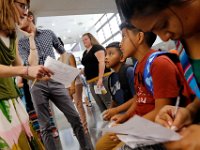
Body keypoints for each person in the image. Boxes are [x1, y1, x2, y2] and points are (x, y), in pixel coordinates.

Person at [115, 0, 200, 149]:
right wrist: (189, 112)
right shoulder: (182, 42)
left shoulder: (158, 63)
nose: (165, 37)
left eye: (163, 24)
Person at [96, 22, 194, 150]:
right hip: (139, 122)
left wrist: (128, 128)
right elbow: (139, 98)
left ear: (139, 37)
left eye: (124, 36)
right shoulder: (137, 66)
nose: (121, 43)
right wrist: (123, 118)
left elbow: (161, 111)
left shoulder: (158, 63)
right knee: (101, 145)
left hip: (155, 129)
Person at [18, 11, 90, 150]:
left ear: (30, 17)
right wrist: (31, 38)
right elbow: (30, 64)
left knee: (74, 116)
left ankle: (86, 147)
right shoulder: (21, 42)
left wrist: (68, 78)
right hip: (36, 84)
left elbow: (64, 53)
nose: (18, 22)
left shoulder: (48, 33)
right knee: (45, 126)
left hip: (55, 80)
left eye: (21, 18)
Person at [0, 0, 54, 149]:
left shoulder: (12, 35)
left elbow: (21, 66)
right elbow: (22, 70)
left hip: (13, 100)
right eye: (22, 5)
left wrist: (38, 74)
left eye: (27, 7)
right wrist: (26, 71)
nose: (26, 12)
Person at [58, 37, 88, 133]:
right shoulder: (58, 59)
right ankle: (77, 127)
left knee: (79, 104)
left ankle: (84, 128)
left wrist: (72, 85)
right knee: (70, 108)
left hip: (75, 83)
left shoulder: (70, 55)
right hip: (65, 85)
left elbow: (73, 71)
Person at [102, 41, 135, 121]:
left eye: (110, 54)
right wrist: (109, 111)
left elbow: (137, 98)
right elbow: (115, 99)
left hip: (133, 114)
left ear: (122, 57)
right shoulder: (111, 78)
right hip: (121, 115)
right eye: (105, 54)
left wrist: (116, 110)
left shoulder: (129, 71)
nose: (106, 57)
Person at [81, 33, 112, 112]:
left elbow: (102, 62)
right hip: (91, 82)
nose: (84, 41)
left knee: (108, 102)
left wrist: (100, 79)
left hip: (101, 79)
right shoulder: (85, 53)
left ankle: (117, 121)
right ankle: (108, 122)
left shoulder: (97, 48)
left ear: (91, 39)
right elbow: (88, 65)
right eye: (83, 40)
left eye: (86, 39)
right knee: (100, 104)